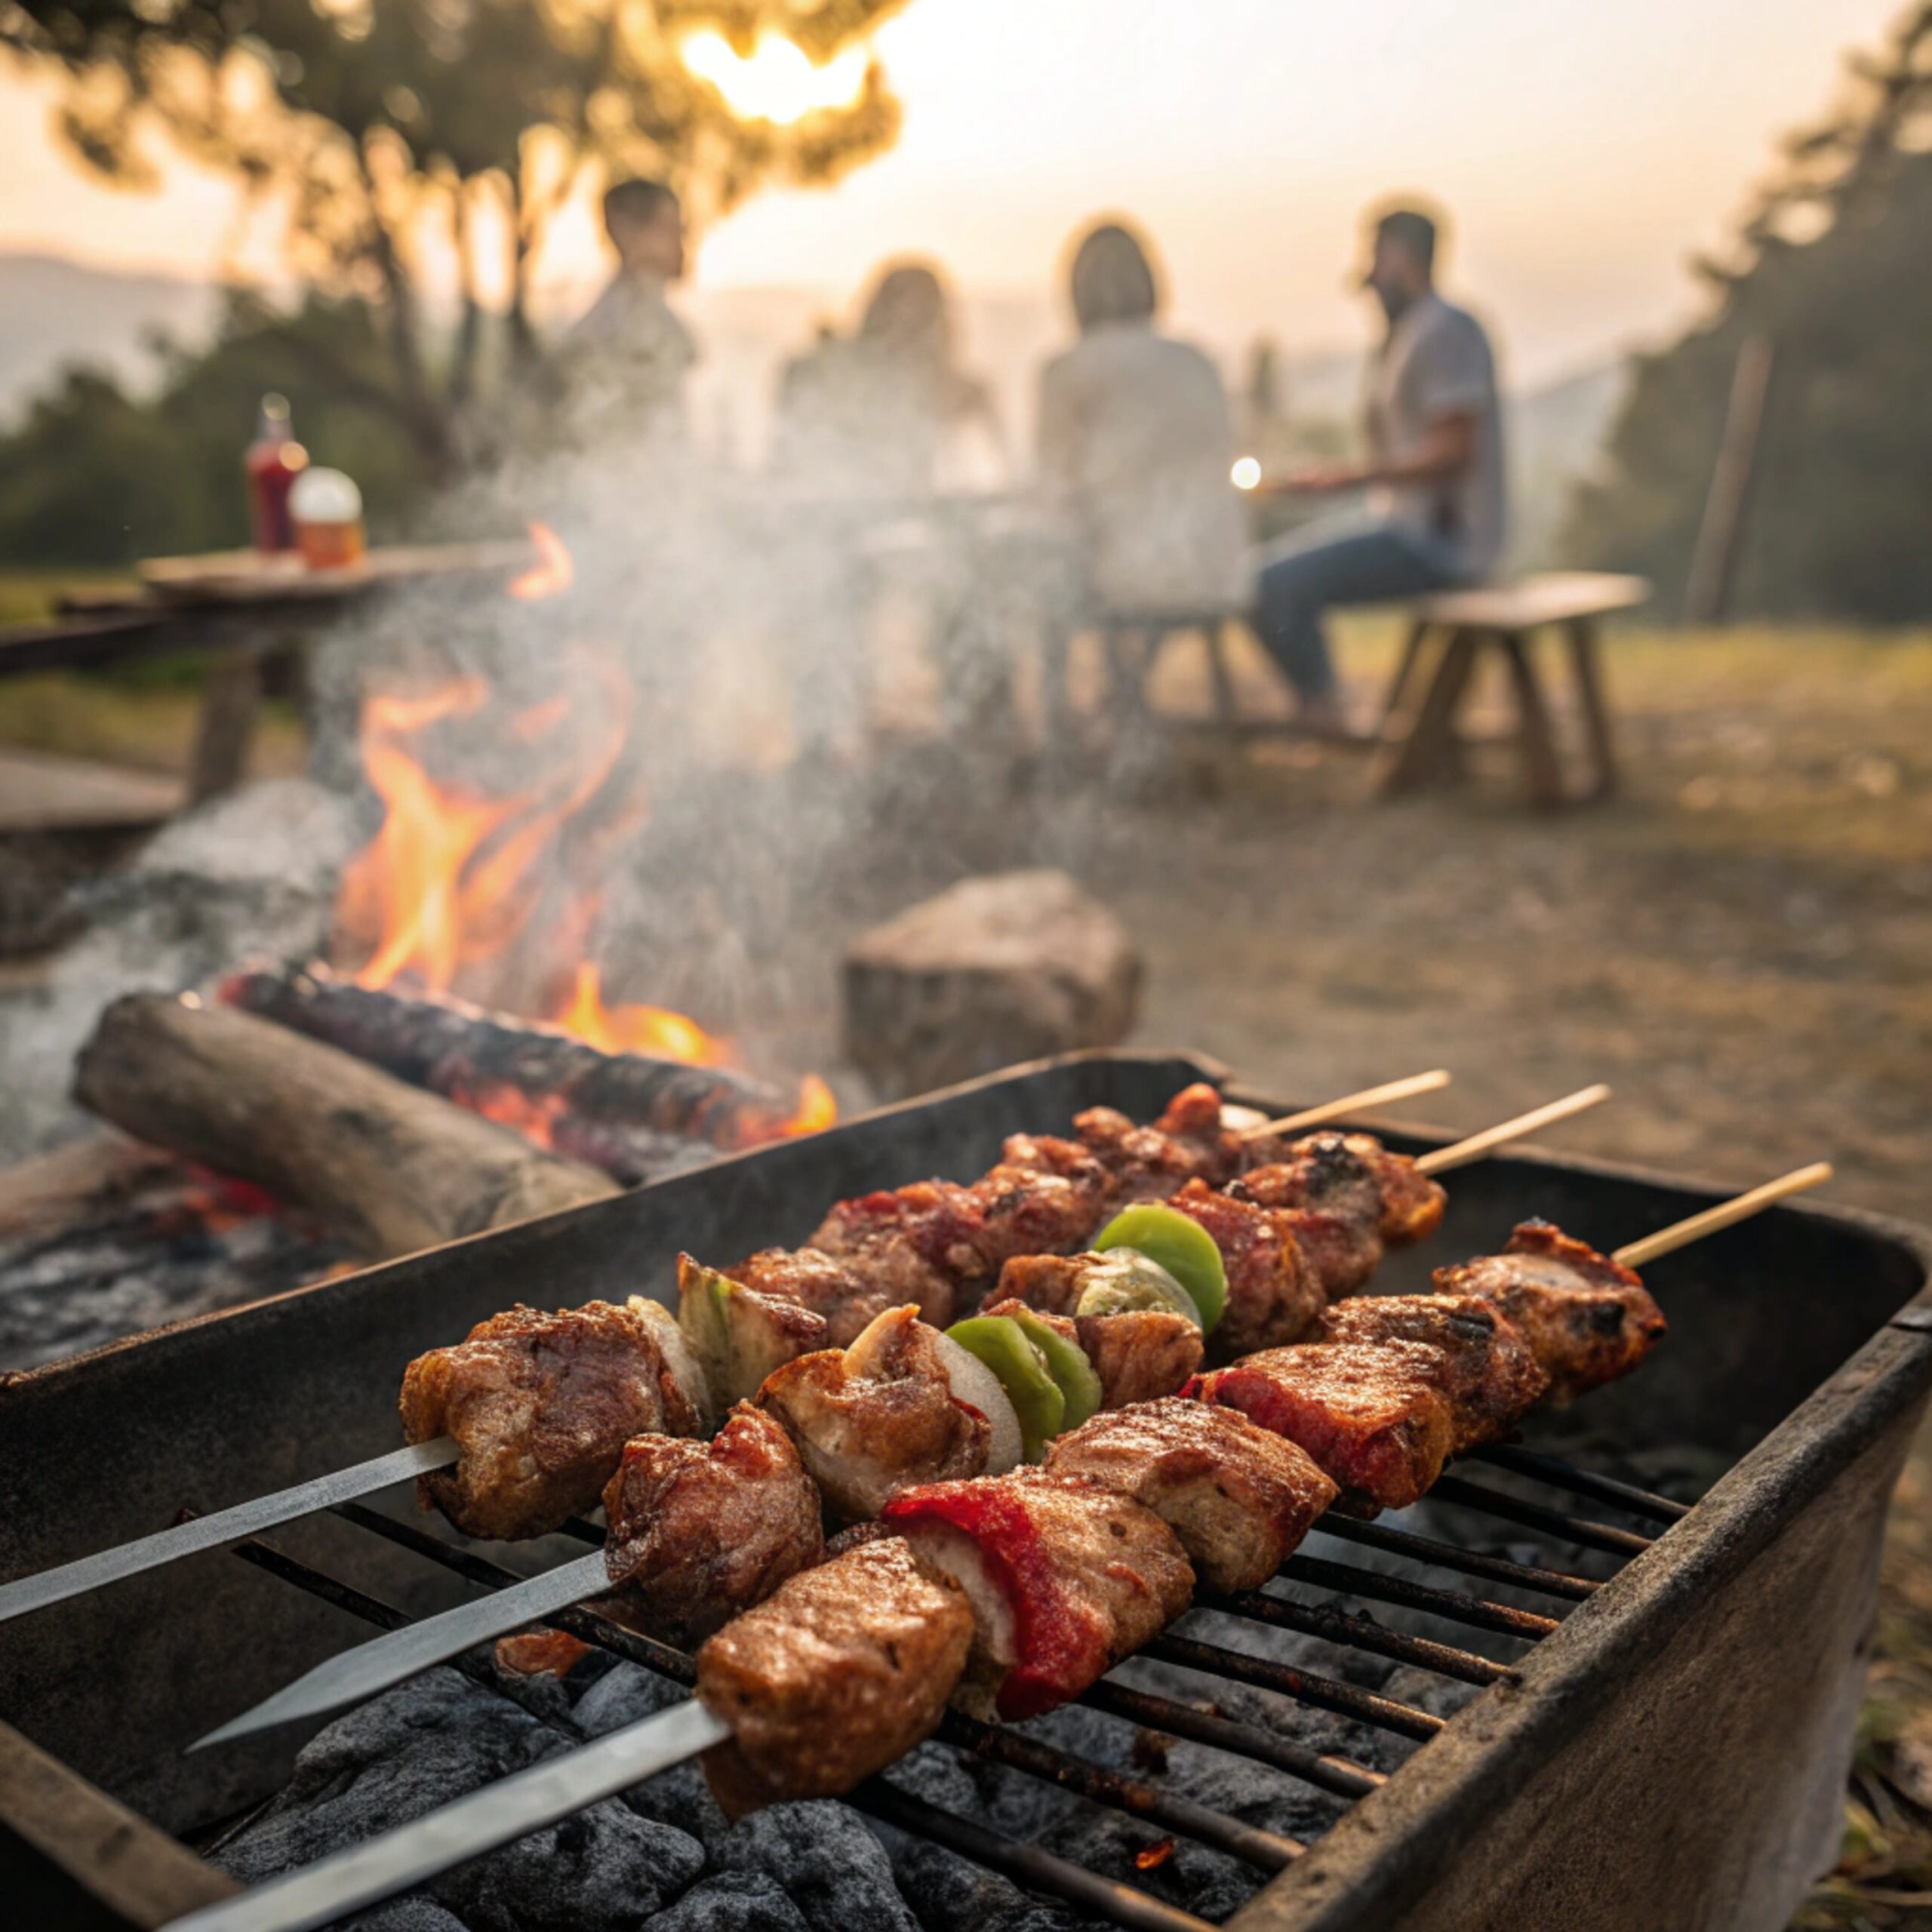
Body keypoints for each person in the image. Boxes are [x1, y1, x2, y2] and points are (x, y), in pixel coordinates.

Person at [1252, 204, 1507, 733]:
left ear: (1404, 256)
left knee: (1269, 585)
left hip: (1437, 543)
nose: (1367, 272)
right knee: (1273, 579)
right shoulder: (1415, 333)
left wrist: (1354, 478)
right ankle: (1324, 706)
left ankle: (1325, 712)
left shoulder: (1444, 331)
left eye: (1375, 255)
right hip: (1410, 529)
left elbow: (1454, 449)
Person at [1035, 220, 1247, 618]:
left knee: (1021, 563)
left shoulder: (1068, 371)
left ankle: (1041, 666)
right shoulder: (1197, 361)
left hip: (1125, 578)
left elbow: (1053, 486)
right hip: (1217, 574)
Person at [568, 177, 699, 441]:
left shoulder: (654, 317)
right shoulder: (618, 327)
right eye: (669, 229)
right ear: (626, 232)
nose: (681, 242)